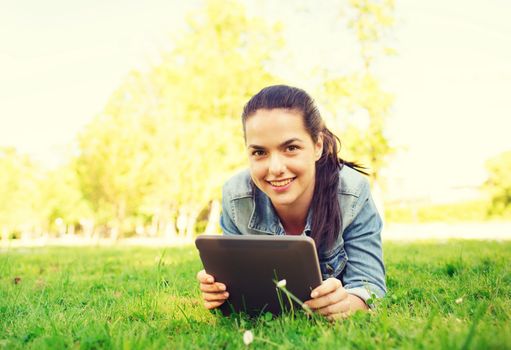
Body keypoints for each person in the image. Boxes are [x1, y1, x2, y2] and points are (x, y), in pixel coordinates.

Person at [197, 85, 386, 321]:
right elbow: (237, 293)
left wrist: (347, 303)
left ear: (317, 146)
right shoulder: (236, 197)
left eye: (291, 148)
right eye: (259, 152)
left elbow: (370, 287)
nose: (275, 168)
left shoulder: (352, 193)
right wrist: (218, 290)